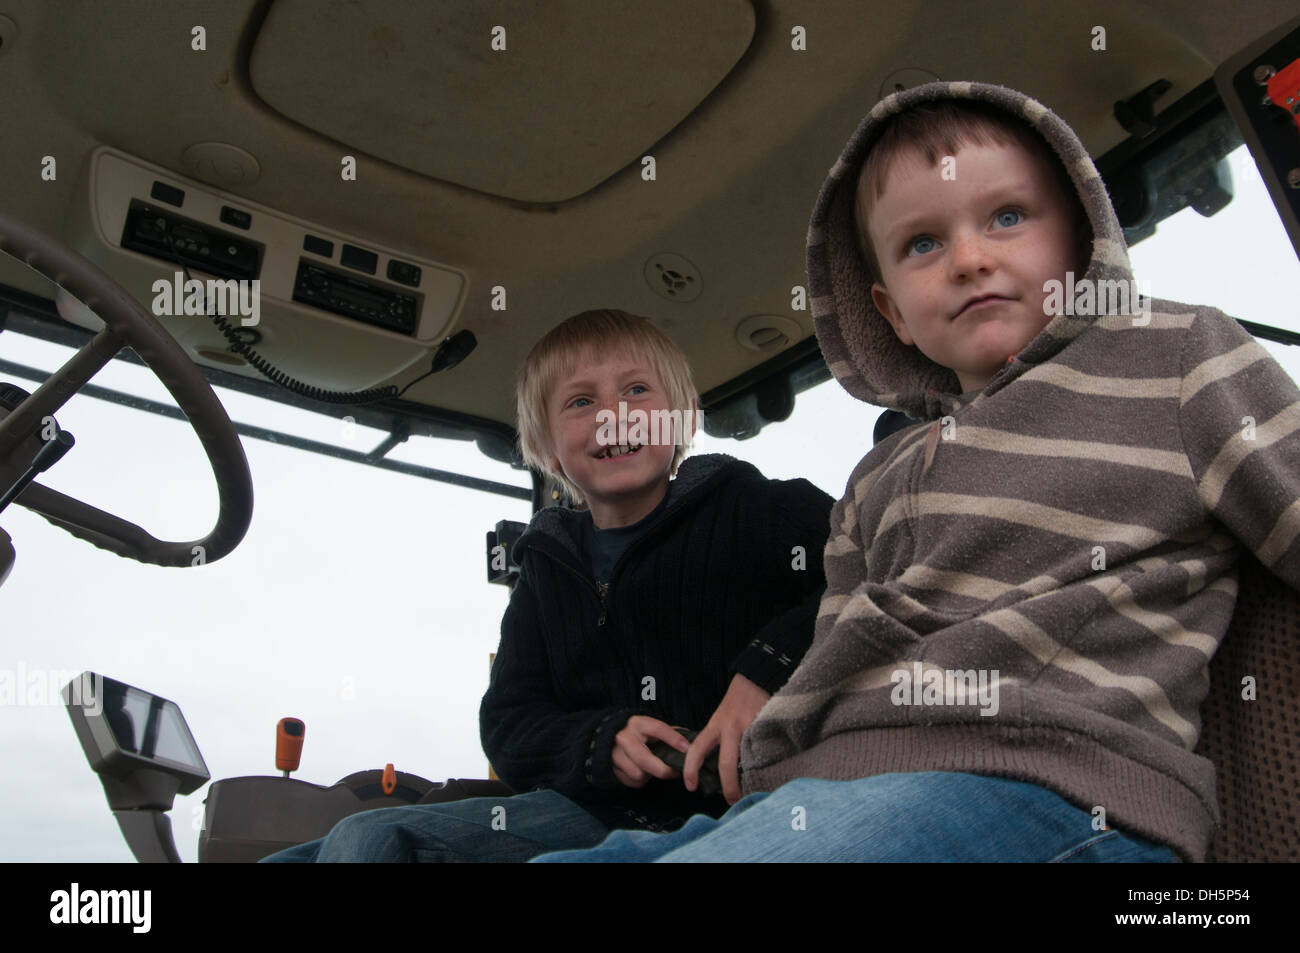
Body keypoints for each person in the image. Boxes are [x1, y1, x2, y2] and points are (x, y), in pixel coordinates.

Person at [531, 81, 1300, 863]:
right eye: (922, 245)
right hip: (825, 788)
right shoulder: (879, 474)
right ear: (891, 311)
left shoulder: (1175, 357)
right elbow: (836, 649)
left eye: (1007, 217)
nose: (970, 258)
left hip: (1048, 781)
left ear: (1077, 238)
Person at [262, 308, 833, 861]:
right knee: (333, 846)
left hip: (740, 805)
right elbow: (509, 721)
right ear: (546, 448)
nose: (614, 415)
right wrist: (599, 743)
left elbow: (870, 570)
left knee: (371, 844)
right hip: (588, 813)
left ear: (681, 418)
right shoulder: (545, 570)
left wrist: (764, 672)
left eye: (636, 391)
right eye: (582, 402)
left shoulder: (752, 510)